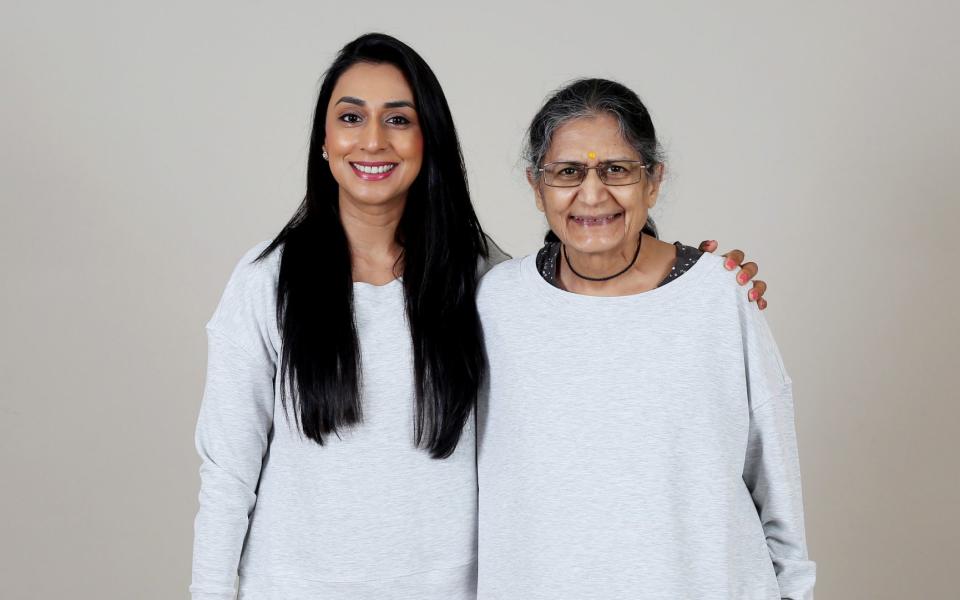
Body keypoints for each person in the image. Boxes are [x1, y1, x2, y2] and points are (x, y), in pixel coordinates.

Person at [191, 34, 768, 599]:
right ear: (323, 141)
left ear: (428, 140)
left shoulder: (483, 280)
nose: (372, 141)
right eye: (350, 118)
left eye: (398, 119)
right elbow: (228, 473)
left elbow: (588, 323)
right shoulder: (266, 282)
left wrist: (691, 279)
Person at [476, 78, 815, 599]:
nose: (592, 194)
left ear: (653, 181)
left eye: (616, 169)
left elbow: (777, 486)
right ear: (536, 185)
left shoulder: (718, 296)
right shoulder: (497, 304)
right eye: (568, 172)